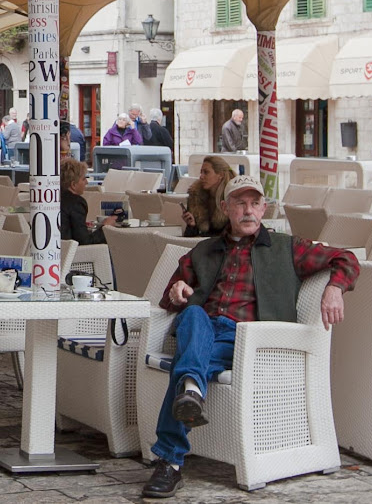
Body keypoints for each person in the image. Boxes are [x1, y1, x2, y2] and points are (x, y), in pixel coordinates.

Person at [141, 175, 360, 498]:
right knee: (192, 315)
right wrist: (177, 292)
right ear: (225, 208)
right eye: (240, 203)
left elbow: (347, 258)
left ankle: (172, 458)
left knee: (189, 356)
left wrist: (335, 288)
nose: (248, 211)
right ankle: (190, 392)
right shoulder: (203, 252)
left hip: (246, 339)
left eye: (255, 203)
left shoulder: (288, 248)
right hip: (201, 329)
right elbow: (169, 299)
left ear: (264, 209)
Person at [60, 157, 116, 245]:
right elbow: (85, 241)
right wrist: (106, 227)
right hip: (73, 254)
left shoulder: (54, 198)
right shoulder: (76, 203)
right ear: (73, 185)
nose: (86, 182)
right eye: (83, 179)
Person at [182, 156, 234, 237]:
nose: (201, 177)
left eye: (206, 172)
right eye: (201, 172)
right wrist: (192, 225)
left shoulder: (232, 198)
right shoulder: (196, 197)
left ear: (220, 175)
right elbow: (189, 239)